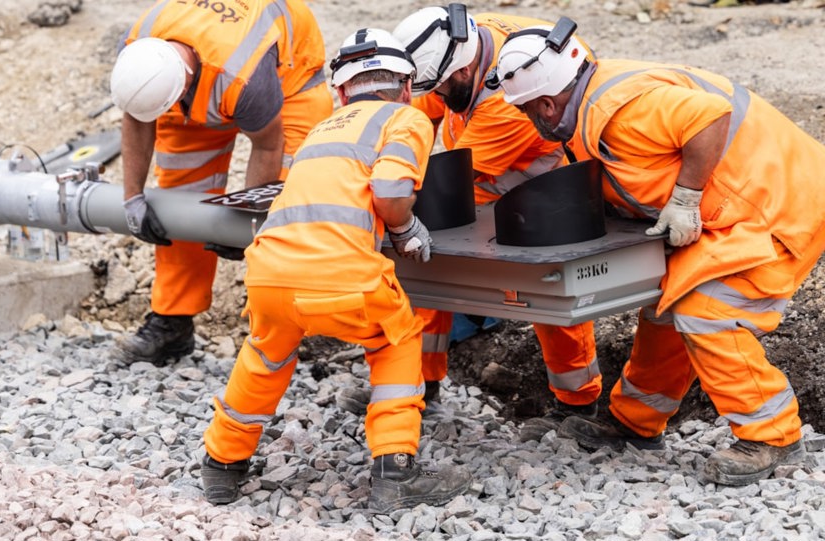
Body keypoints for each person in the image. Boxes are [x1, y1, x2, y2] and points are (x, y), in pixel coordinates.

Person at [494, 19, 825, 485]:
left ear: (547, 103)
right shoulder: (593, 99)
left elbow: (709, 116)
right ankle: (635, 422)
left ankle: (772, 436)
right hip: (739, 206)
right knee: (667, 306)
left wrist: (686, 198)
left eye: (528, 110)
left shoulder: (620, 107)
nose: (531, 121)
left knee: (708, 311)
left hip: (775, 205)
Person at [200, 28, 472, 513]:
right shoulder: (406, 118)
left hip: (269, 272)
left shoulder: (324, 129)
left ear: (341, 92)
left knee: (267, 354)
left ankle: (222, 466)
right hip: (341, 275)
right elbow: (390, 189)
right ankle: (395, 472)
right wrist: (406, 229)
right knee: (396, 339)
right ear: (408, 86)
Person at [341, 4, 602, 439]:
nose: (438, 98)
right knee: (422, 259)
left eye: (441, 90)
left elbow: (447, 174)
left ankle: (578, 402)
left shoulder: (503, 102)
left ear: (460, 73)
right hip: (480, 166)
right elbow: (416, 112)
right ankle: (417, 383)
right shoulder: (456, 40)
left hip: (547, 180)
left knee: (548, 286)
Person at [108, 0, 333, 365]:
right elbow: (136, 119)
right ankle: (173, 322)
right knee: (181, 198)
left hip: (287, 81)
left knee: (291, 196)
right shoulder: (138, 52)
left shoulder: (245, 79)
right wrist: (132, 196)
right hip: (208, 72)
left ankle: (300, 325)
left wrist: (249, 220)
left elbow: (267, 143)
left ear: (182, 86)